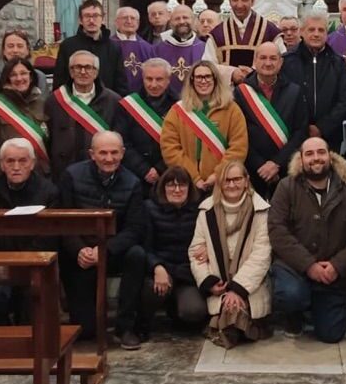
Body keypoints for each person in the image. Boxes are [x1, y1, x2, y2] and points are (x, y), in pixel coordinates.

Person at [269, 137, 346, 342]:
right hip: (294, 268)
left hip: (332, 274)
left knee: (332, 334)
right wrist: (308, 265)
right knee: (292, 296)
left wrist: (337, 265)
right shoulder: (286, 187)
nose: (316, 158)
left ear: (330, 157)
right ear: (301, 159)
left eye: (321, 152)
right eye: (309, 154)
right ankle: (295, 314)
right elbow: (277, 231)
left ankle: (317, 306)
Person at [57, 131, 149, 345]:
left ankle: (125, 327)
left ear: (123, 153)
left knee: (137, 255)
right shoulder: (71, 176)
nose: (109, 158)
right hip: (80, 254)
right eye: (103, 153)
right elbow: (62, 220)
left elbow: (134, 229)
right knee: (86, 331)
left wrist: (105, 250)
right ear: (92, 154)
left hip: (113, 250)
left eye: (114, 153)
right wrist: (79, 249)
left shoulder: (133, 183)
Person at [0, 138, 59, 325]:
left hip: (34, 264)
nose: (16, 167)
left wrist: (24, 261)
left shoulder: (48, 191)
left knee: (33, 295)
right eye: (10, 161)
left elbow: (50, 236)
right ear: (2, 165)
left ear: (32, 163)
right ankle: (1, 336)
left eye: (22, 161)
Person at [188, 160, 273, 348]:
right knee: (226, 311)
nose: (232, 185)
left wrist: (237, 289)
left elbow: (262, 255)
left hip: (250, 284)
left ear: (246, 180)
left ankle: (233, 324)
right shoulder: (207, 211)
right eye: (227, 180)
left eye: (237, 179)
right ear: (220, 183)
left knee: (237, 309)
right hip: (218, 282)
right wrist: (209, 282)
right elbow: (196, 252)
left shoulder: (261, 211)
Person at [136, 167, 208, 339]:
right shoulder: (149, 208)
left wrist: (207, 248)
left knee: (194, 312)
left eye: (182, 185)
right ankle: (142, 324)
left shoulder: (200, 210)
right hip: (161, 270)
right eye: (171, 185)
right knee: (152, 291)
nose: (177, 190)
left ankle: (177, 312)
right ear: (163, 187)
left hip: (187, 273)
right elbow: (144, 246)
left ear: (189, 188)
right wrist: (157, 266)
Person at [161, 60, 249, 193]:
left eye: (208, 76)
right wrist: (194, 178)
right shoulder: (177, 111)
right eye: (199, 77)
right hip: (187, 184)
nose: (203, 81)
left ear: (215, 79)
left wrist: (218, 174)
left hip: (222, 183)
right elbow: (170, 148)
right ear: (192, 80)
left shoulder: (232, 110)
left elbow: (239, 147)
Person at [234, 42, 308, 198]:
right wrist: (260, 165)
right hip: (252, 170)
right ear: (255, 61)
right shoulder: (241, 92)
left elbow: (300, 132)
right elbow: (237, 134)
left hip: (285, 169)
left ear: (280, 62)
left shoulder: (294, 91)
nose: (268, 63)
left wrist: (277, 163)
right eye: (263, 58)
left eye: (273, 58)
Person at [46, 50, 122, 177]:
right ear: (71, 72)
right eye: (78, 67)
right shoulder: (54, 101)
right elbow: (48, 139)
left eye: (88, 67)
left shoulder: (113, 101)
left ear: (96, 72)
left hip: (100, 171)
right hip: (64, 172)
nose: (82, 72)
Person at [281, 13, 346, 149]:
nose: (316, 34)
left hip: (330, 136)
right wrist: (303, 128)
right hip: (294, 135)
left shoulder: (338, 63)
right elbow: (283, 98)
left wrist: (322, 127)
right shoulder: (287, 62)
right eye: (311, 30)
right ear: (302, 32)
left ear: (327, 33)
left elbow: (344, 100)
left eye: (321, 30)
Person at [0, 58, 49, 179]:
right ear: (7, 78)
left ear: (31, 77)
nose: (19, 78)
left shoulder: (42, 104)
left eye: (23, 73)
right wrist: (11, 169)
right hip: (4, 178)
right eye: (13, 75)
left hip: (39, 178)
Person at [115, 58, 178, 186]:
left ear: (168, 80)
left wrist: (159, 169)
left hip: (169, 174)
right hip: (133, 175)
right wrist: (144, 170)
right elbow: (121, 142)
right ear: (143, 79)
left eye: (159, 79)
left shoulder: (179, 106)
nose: (153, 85)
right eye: (149, 79)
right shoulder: (128, 105)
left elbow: (182, 143)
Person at [204, 0, 280, 80]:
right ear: (229, 0)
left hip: (261, 89)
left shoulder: (270, 32)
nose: (239, 5)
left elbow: (281, 62)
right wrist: (231, 73)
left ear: (253, 0)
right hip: (227, 89)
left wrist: (254, 73)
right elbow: (207, 66)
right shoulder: (217, 35)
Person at [54, 0, 128, 94]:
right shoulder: (67, 45)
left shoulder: (114, 47)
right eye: (87, 16)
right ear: (80, 20)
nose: (91, 20)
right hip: (74, 100)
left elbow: (121, 82)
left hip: (106, 100)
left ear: (103, 19)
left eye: (96, 16)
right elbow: (60, 80)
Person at [0, 29, 50, 101]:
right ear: (4, 51)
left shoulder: (39, 77)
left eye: (20, 46)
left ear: (27, 50)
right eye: (10, 46)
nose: (15, 50)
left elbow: (44, 105)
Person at [153, 5, 207, 96]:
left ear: (193, 20)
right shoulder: (158, 49)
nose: (181, 22)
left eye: (185, 18)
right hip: (166, 101)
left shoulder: (204, 48)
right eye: (177, 19)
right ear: (170, 22)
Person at [113, 6, 157, 94]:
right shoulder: (109, 45)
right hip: (114, 96)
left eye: (133, 18)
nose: (129, 21)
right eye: (125, 18)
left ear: (138, 23)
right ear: (116, 22)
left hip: (142, 97)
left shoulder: (148, 48)